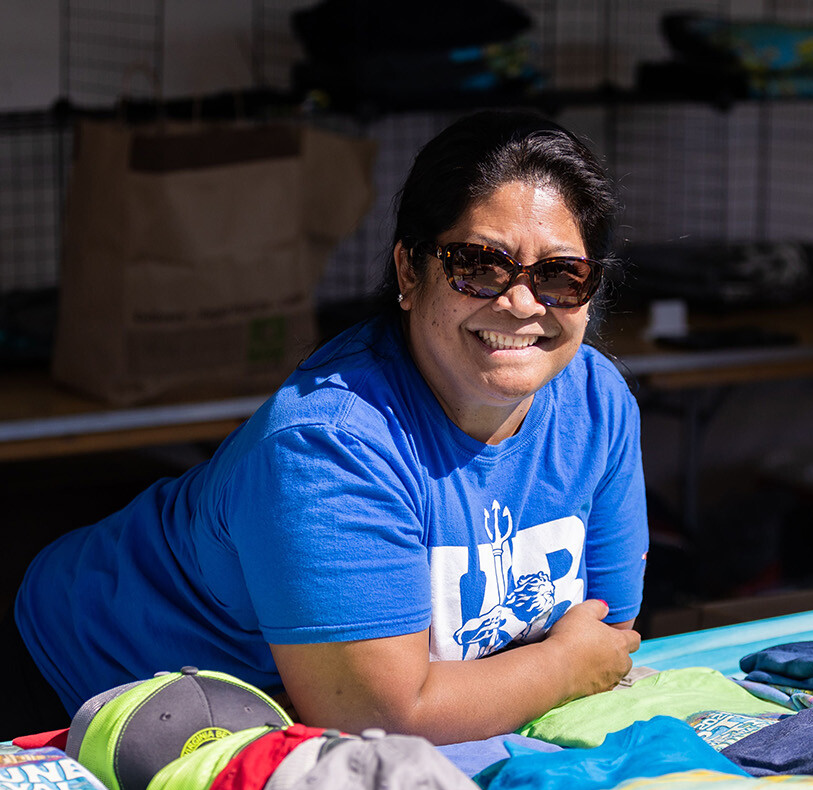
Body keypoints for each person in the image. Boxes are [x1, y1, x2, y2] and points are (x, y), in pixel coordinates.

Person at [6, 110, 647, 743]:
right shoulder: (328, 444)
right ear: (408, 272)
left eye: (562, 275)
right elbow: (382, 716)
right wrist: (559, 667)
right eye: (477, 265)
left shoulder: (597, 403)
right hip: (71, 681)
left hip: (259, 724)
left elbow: (608, 631)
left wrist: (538, 670)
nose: (520, 303)